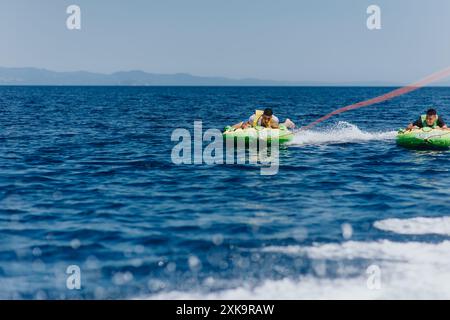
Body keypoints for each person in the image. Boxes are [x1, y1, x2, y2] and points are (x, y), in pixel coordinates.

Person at [231, 108, 296, 130]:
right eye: (265, 118)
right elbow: (245, 123)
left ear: (271, 117)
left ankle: (287, 122)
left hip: (273, 124)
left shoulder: (275, 119)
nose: (266, 120)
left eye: (268, 118)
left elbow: (277, 129)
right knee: (245, 125)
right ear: (262, 116)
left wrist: (269, 126)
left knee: (278, 126)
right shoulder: (253, 118)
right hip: (254, 122)